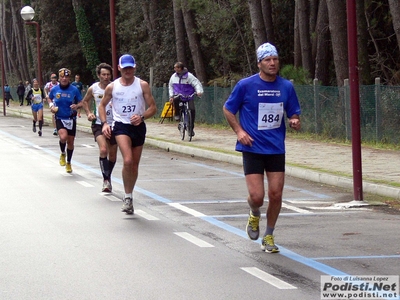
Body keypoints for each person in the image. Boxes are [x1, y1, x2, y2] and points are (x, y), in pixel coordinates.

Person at [223, 42, 301, 253]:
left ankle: (269, 235)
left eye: (275, 59)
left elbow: (293, 112)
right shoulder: (246, 85)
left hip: (276, 148)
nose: (272, 63)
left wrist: (294, 120)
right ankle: (254, 213)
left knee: (276, 195)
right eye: (267, 60)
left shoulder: (286, 87)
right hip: (252, 148)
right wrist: (239, 131)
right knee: (257, 196)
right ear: (259, 63)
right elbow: (228, 109)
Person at [99, 54, 157, 214]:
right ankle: (127, 197)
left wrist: (142, 116)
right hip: (120, 126)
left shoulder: (142, 85)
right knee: (128, 160)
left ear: (134, 67)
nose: (128, 71)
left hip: (138, 126)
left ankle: (129, 194)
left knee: (135, 164)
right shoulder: (113, 87)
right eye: (125, 68)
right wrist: (105, 123)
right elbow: (102, 106)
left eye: (130, 68)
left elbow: (153, 107)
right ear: (119, 68)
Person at [82, 63, 117, 192]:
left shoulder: (116, 87)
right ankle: (106, 180)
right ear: (98, 75)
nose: (106, 77)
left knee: (112, 155)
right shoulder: (93, 88)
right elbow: (85, 101)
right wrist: (89, 113)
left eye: (108, 74)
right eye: (103, 74)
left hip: (114, 123)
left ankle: (108, 175)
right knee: (103, 150)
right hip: (98, 123)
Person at [48, 68, 83, 173]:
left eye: (66, 77)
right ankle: (63, 152)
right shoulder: (55, 89)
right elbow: (49, 98)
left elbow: (82, 102)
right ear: (59, 78)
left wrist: (76, 106)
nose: (64, 79)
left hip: (71, 118)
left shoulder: (74, 89)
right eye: (62, 77)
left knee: (71, 142)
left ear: (69, 78)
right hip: (60, 117)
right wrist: (51, 105)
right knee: (63, 137)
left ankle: (68, 162)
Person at [168, 62, 203, 136]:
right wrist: (171, 96)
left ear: (180, 68)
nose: (174, 69)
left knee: (192, 110)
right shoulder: (173, 77)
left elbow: (196, 83)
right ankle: (177, 114)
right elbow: (170, 86)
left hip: (189, 96)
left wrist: (199, 91)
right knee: (175, 100)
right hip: (178, 95)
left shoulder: (189, 76)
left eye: (175, 67)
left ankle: (190, 129)